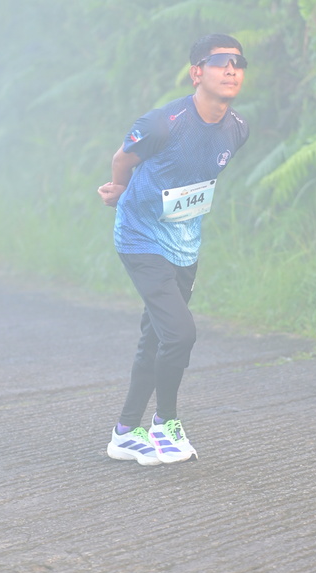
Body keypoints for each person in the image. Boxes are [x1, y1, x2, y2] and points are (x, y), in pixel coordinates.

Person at [97, 34, 249, 465]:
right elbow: (122, 158)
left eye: (239, 62)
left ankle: (125, 432)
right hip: (140, 237)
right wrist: (120, 191)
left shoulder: (238, 129)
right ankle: (165, 424)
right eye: (220, 61)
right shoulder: (164, 123)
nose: (232, 69)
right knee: (180, 333)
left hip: (184, 244)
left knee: (157, 336)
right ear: (196, 73)